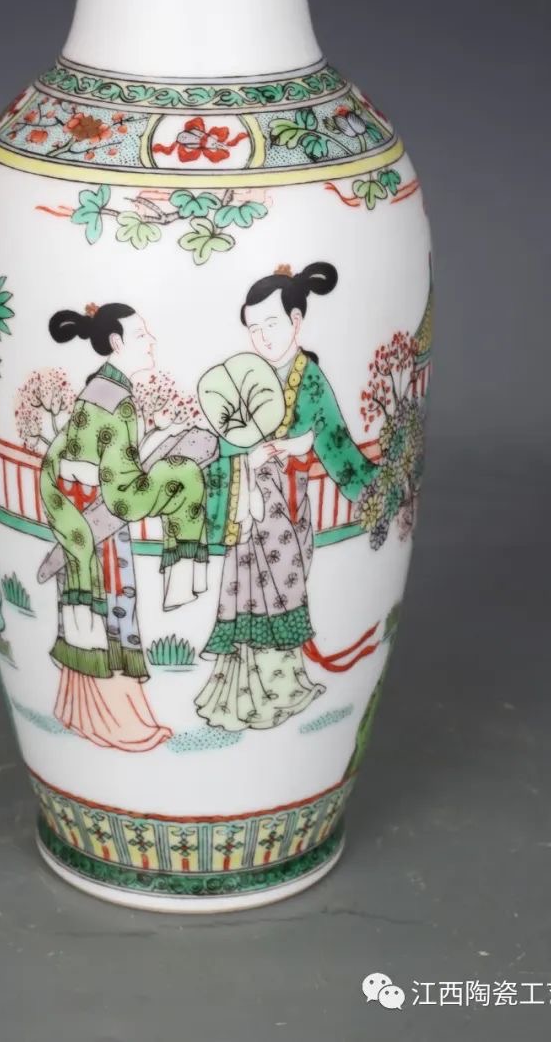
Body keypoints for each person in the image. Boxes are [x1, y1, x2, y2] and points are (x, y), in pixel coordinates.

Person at [194, 262, 383, 732]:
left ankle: (281, 687)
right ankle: (240, 692)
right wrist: (248, 456)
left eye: (271, 324)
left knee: (284, 585)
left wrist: (371, 490)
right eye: (253, 328)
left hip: (286, 508)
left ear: (297, 322)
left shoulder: (309, 379)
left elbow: (336, 440)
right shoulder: (245, 376)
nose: (262, 337)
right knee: (243, 591)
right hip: (248, 506)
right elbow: (223, 440)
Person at [40, 302, 208, 751]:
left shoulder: (98, 392)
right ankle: (116, 722)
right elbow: (123, 495)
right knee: (111, 609)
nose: (150, 342)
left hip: (83, 519)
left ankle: (84, 713)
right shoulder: (118, 403)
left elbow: (114, 465)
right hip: (99, 522)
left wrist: (157, 440)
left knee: (96, 614)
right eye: (142, 335)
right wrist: (178, 477)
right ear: (117, 343)